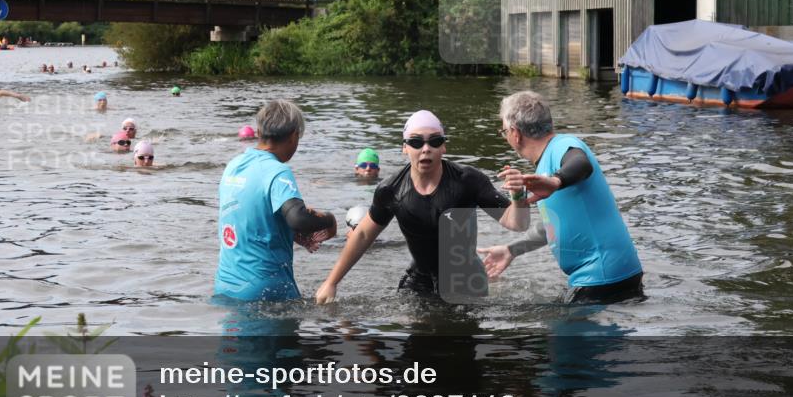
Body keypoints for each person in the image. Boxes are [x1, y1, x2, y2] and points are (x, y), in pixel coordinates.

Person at [314, 110, 530, 304]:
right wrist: (331, 282)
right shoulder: (391, 190)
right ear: (404, 148)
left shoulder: (468, 180)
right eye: (416, 142)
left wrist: (518, 195)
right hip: (419, 280)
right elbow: (362, 235)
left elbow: (517, 223)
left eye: (434, 141)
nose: (426, 149)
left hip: (466, 281)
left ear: (443, 146)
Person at [478, 91, 644, 305]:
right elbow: (554, 225)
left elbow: (582, 164)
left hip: (601, 277)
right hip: (613, 273)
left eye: (504, 132)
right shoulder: (546, 164)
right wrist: (512, 250)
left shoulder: (561, 147)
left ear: (515, 133)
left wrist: (555, 181)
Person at [215, 100, 337, 301]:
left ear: (258, 132)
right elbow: (298, 217)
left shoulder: (233, 166)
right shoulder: (278, 171)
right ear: (293, 136)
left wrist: (287, 232)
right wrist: (329, 220)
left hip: (225, 286)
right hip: (266, 291)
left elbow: (245, 215)